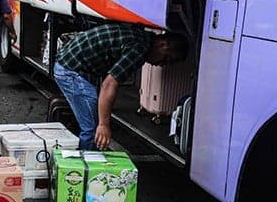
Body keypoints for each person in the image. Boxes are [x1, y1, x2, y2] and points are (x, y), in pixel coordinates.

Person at [54, 24, 189, 150]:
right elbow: (108, 84)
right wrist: (104, 125)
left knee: (95, 119)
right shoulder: (139, 49)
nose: (162, 64)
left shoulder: (141, 35)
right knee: (93, 129)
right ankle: (86, 164)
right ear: (163, 44)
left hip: (70, 62)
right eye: (166, 58)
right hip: (70, 70)